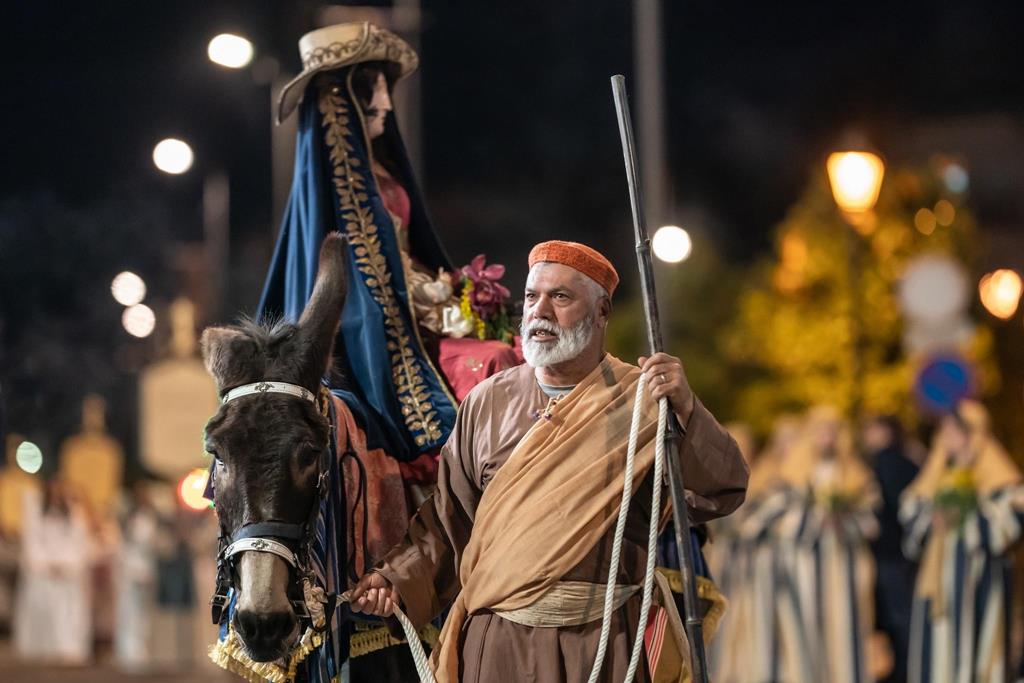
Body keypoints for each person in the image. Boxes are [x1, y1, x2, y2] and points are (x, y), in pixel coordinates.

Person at [351, 241, 749, 682]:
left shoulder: (643, 401)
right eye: (531, 297)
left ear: (601, 313)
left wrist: (687, 409)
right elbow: (450, 522)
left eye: (560, 297)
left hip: (604, 643)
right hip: (499, 646)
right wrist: (397, 579)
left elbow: (719, 491)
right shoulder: (486, 403)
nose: (540, 311)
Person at [901, 401, 1024, 683]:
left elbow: (1009, 524)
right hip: (937, 583)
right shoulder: (935, 474)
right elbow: (911, 517)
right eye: (945, 430)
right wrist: (934, 520)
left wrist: (966, 516)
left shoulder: (999, 475)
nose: (948, 437)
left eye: (956, 430)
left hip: (981, 582)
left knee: (980, 654)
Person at [775, 406, 880, 683]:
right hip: (806, 564)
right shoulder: (794, 473)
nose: (827, 438)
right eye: (822, 431)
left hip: (845, 562)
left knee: (846, 629)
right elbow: (782, 521)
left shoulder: (855, 473)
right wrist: (815, 518)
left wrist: (843, 518)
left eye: (833, 431)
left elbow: (871, 520)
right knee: (807, 628)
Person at [863, 414, 919, 683]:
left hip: (888, 554)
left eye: (871, 429)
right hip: (901, 553)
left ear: (885, 432)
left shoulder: (884, 464)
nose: (867, 436)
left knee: (895, 617)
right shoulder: (909, 460)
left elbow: (885, 510)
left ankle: (901, 672)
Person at [14, 479, 94, 664]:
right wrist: (45, 564)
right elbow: (32, 541)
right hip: (43, 571)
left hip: (67, 573)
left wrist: (65, 564)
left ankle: (67, 648)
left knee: (67, 615)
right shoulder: (36, 513)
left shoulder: (74, 514)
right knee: (43, 610)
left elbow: (79, 543)